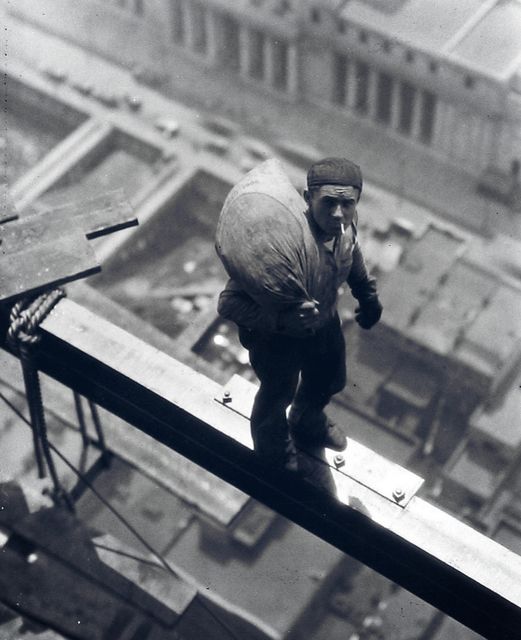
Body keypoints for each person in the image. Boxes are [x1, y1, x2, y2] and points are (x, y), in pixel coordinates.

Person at [217, 158, 382, 472]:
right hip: (277, 338)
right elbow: (227, 303)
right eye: (328, 203)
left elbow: (352, 253)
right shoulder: (282, 243)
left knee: (330, 376)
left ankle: (307, 419)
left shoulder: (344, 228)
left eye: (347, 204)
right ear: (308, 200)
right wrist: (279, 321)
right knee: (277, 394)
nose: (337, 214)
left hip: (322, 321)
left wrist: (367, 295)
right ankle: (272, 451)